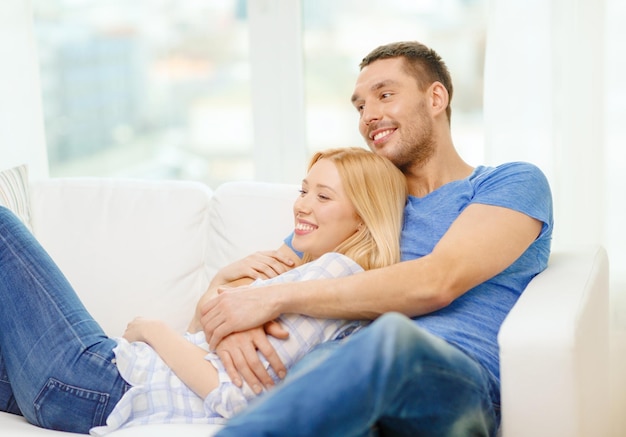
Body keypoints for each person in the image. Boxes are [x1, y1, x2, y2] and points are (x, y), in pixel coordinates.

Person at [199, 41, 554, 437]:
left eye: (384, 95)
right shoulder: (363, 204)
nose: (369, 115)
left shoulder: (508, 183)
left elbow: (437, 281)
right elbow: (257, 279)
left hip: (450, 381)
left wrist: (272, 299)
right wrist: (236, 320)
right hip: (338, 372)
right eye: (360, 106)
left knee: (391, 338)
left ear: (435, 98)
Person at [0, 147, 407, 435]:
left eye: (324, 197)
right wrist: (217, 287)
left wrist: (151, 327)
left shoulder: (337, 275)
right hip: (87, 387)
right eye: (303, 191)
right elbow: (204, 351)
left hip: (99, 381)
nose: (302, 206)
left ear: (362, 219)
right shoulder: (309, 269)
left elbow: (239, 397)